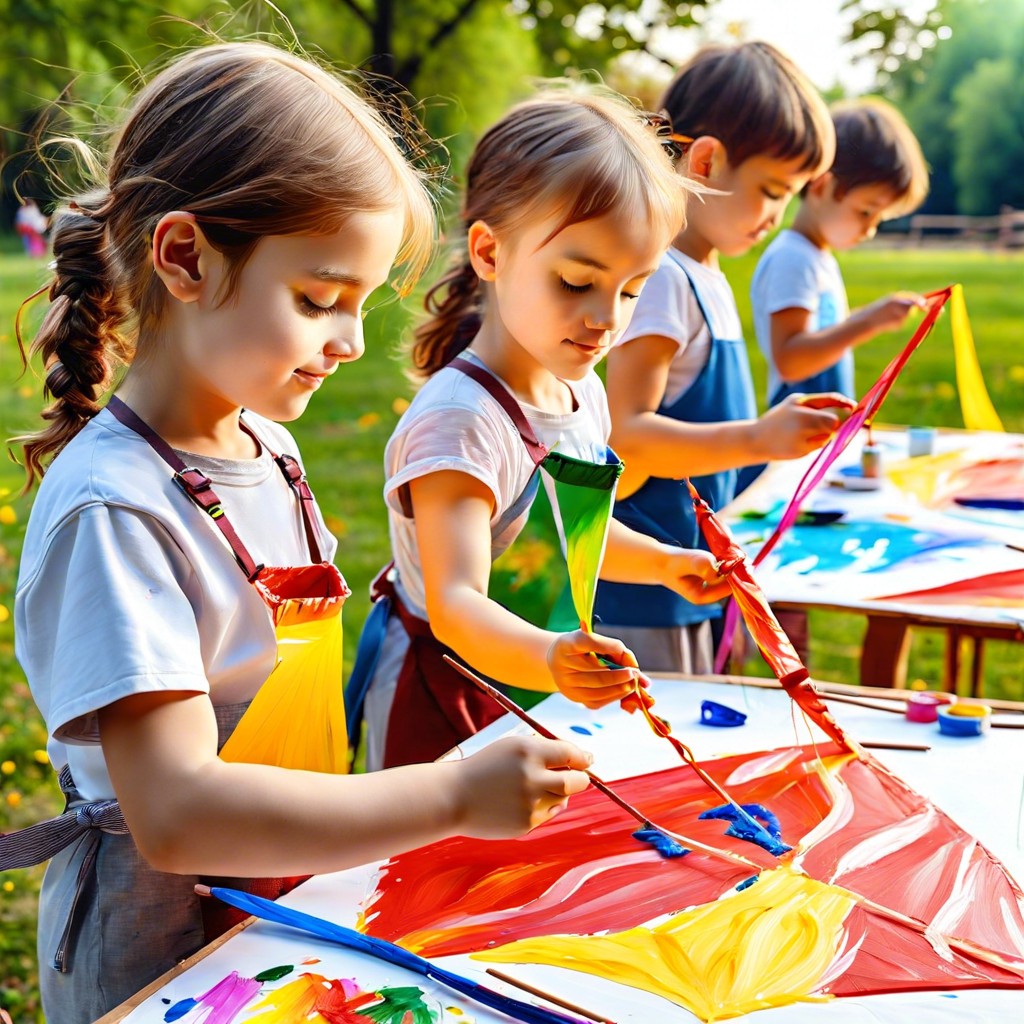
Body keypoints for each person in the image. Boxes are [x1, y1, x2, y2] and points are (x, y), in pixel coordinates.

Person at [2, 43, 597, 1024]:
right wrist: (445, 795)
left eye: (361, 303)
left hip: (285, 904)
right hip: (162, 955)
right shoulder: (116, 508)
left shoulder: (270, 449)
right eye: (320, 299)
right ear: (186, 256)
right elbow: (180, 811)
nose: (353, 340)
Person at [352, 88, 730, 772]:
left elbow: (568, 537)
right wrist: (548, 656)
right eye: (576, 280)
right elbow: (458, 603)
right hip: (442, 703)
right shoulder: (460, 424)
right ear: (491, 253)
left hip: (527, 691)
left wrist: (665, 565)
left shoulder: (582, 390)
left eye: (632, 289)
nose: (606, 318)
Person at [593, 41, 856, 674]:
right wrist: (761, 437)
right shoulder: (661, 278)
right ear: (706, 161)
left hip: (693, 582)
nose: (778, 217)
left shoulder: (705, 273)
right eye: (771, 189)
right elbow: (627, 435)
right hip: (643, 596)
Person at [751, 97, 930, 408]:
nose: (871, 229)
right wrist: (868, 322)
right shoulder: (792, 259)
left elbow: (826, 331)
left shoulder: (817, 256)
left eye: (879, 218)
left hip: (820, 438)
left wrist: (876, 313)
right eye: (865, 212)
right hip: (796, 441)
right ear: (822, 187)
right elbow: (791, 360)